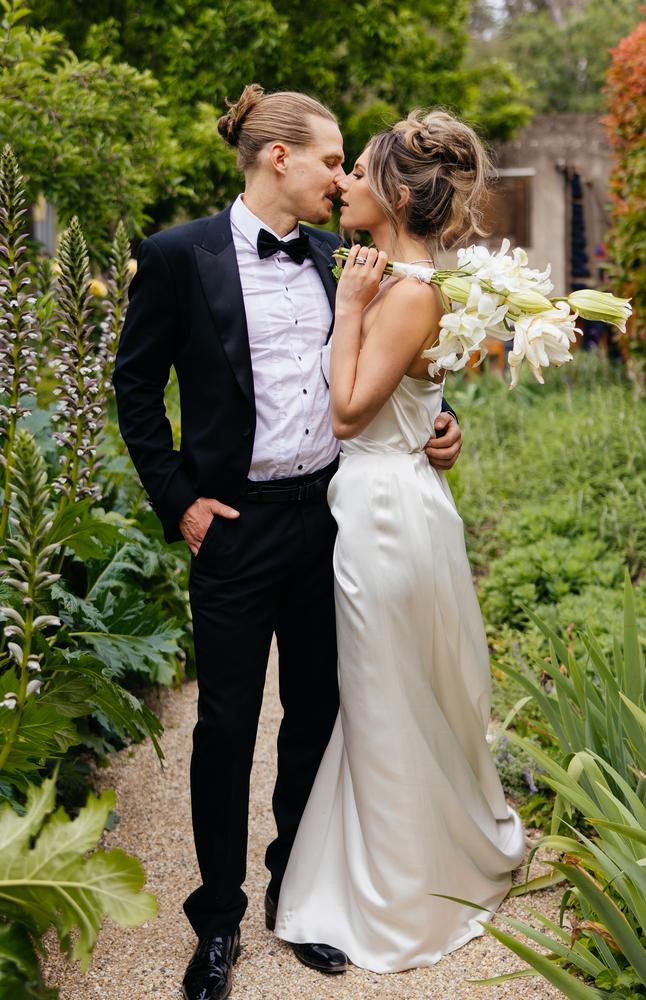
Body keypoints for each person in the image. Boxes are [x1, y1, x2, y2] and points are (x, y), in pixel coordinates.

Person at [112, 85, 462, 1000]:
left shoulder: (340, 257)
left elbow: (391, 367)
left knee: (316, 716)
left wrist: (442, 420)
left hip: (328, 522)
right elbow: (135, 389)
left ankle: (294, 897)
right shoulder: (177, 256)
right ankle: (217, 921)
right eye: (330, 160)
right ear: (279, 159)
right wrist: (180, 503)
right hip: (231, 528)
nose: (341, 177)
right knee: (226, 726)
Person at [273, 110, 526, 973]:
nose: (342, 183)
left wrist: (348, 304)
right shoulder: (412, 283)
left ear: (394, 193)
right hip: (401, 500)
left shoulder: (407, 289)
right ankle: (419, 861)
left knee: (383, 700)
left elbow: (348, 411)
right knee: (399, 694)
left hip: (380, 513)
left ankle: (398, 893)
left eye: (358, 170)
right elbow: (412, 401)